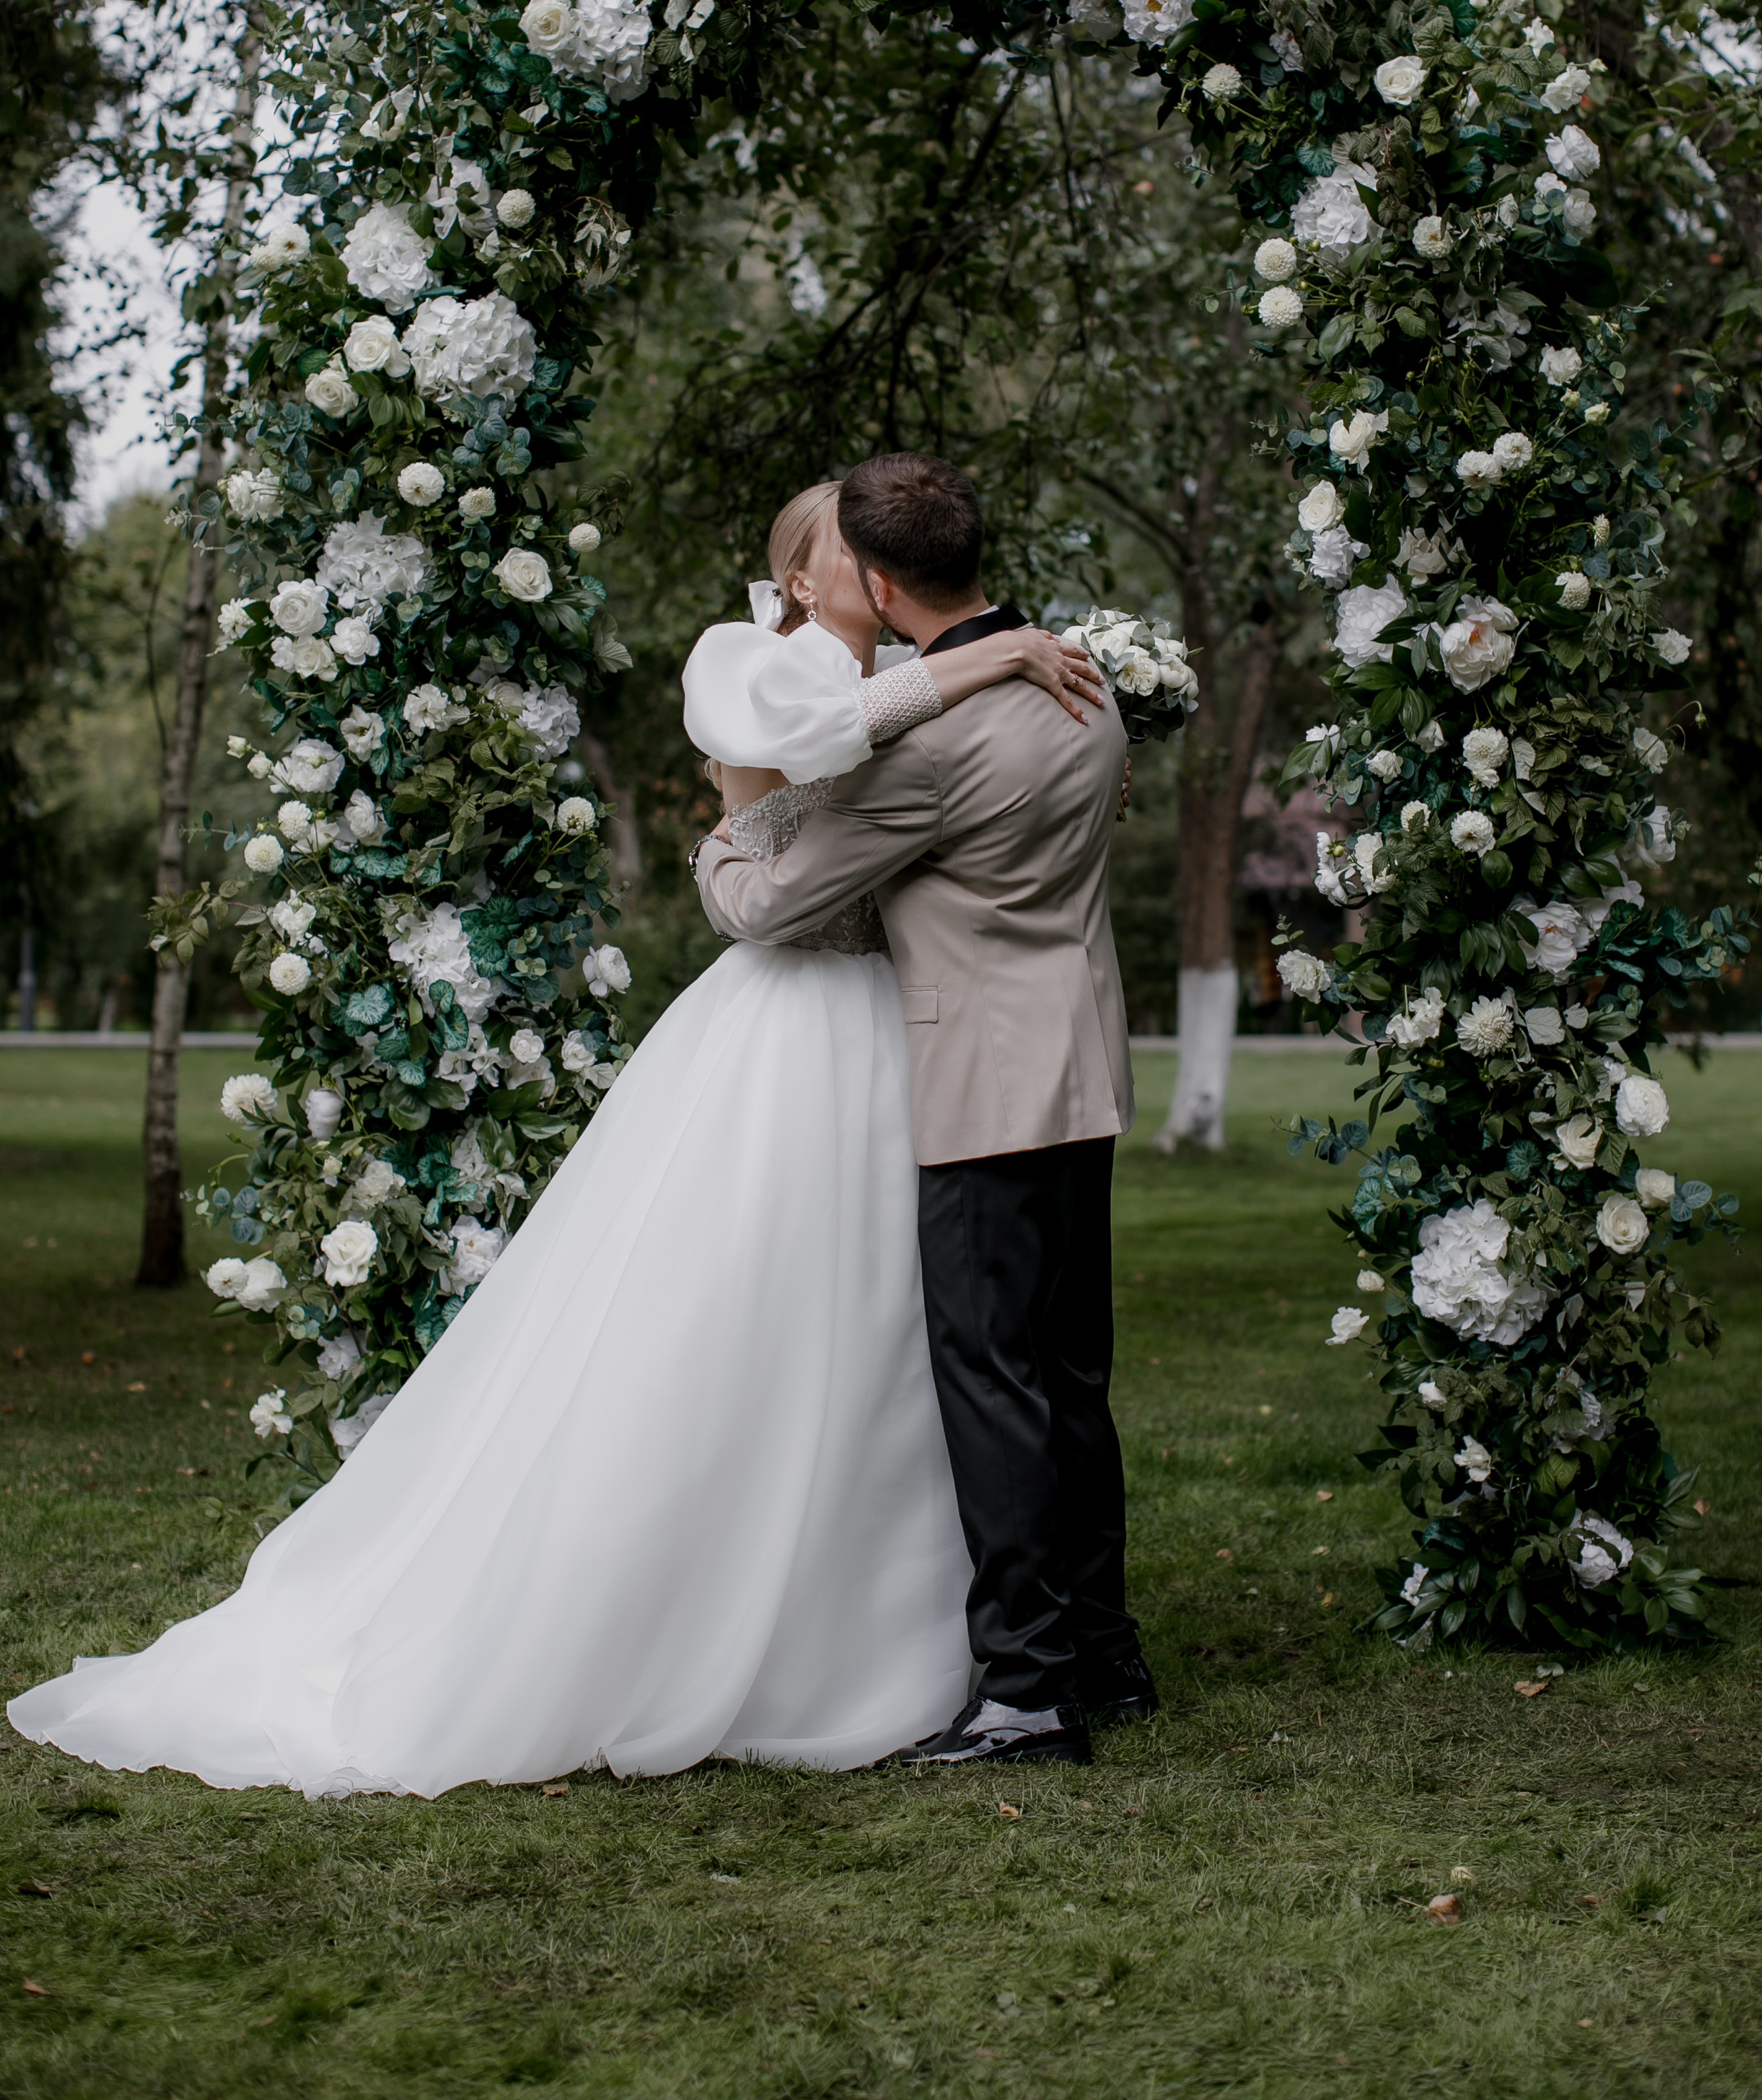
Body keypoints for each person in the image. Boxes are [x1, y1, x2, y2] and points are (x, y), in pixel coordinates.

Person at [7, 483, 1103, 1797]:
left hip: (908, 1052)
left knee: (911, 1351)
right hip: (806, 1028)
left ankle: (950, 1635)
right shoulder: (753, 659)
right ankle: (966, 1644)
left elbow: (865, 843)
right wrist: (962, 667)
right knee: (773, 1327)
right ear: (807, 580)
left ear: (876, 579)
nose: (841, 580)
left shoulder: (972, 706)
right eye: (813, 556)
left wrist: (941, 682)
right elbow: (777, 828)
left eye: (851, 555)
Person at [696, 452, 1156, 1770]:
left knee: (994, 1382)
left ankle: (1024, 1692)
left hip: (983, 1094)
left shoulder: (936, 745)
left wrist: (728, 833)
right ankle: (1101, 1653)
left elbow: (770, 904)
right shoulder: (1085, 679)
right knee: (1069, 1379)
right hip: (1082, 1073)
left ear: (883, 583)